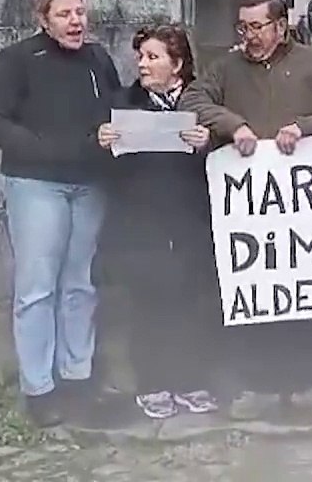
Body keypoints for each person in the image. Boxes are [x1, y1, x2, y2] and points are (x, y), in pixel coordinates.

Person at [184, 0, 312, 421]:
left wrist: (305, 127)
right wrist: (233, 125)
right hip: (250, 206)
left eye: (257, 26)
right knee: (255, 293)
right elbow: (193, 100)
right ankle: (256, 386)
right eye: (243, 27)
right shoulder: (227, 66)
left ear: (281, 25)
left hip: (306, 205)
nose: (249, 35)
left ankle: (311, 383)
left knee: (309, 293)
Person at [0, 0, 121, 427]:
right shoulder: (18, 59)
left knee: (81, 285)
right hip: (37, 183)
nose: (76, 21)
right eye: (65, 14)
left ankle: (77, 376)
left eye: (80, 12)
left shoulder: (98, 59)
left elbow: (115, 108)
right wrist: (42, 148)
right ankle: (39, 388)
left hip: (89, 182)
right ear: (43, 18)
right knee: (38, 288)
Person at [94, 24, 220, 421]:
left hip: (190, 221)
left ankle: (191, 379)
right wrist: (102, 144)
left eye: (153, 57)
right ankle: (152, 382)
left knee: (192, 302)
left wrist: (206, 144)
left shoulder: (202, 103)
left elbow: (227, 158)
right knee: (147, 304)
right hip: (141, 223)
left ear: (178, 64)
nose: (143, 65)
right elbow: (104, 171)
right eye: (141, 57)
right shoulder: (122, 104)